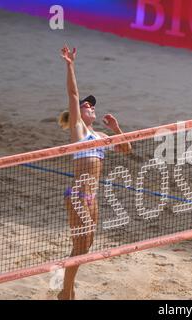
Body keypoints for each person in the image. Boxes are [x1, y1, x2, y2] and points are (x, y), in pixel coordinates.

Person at [57, 45, 132, 300]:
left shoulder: (100, 135)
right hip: (78, 195)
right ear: (79, 112)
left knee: (85, 246)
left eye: (91, 105)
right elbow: (73, 92)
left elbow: (126, 149)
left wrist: (117, 127)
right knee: (80, 247)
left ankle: (66, 290)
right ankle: (66, 293)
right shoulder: (78, 129)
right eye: (85, 105)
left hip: (93, 199)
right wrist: (70, 64)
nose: (89, 105)